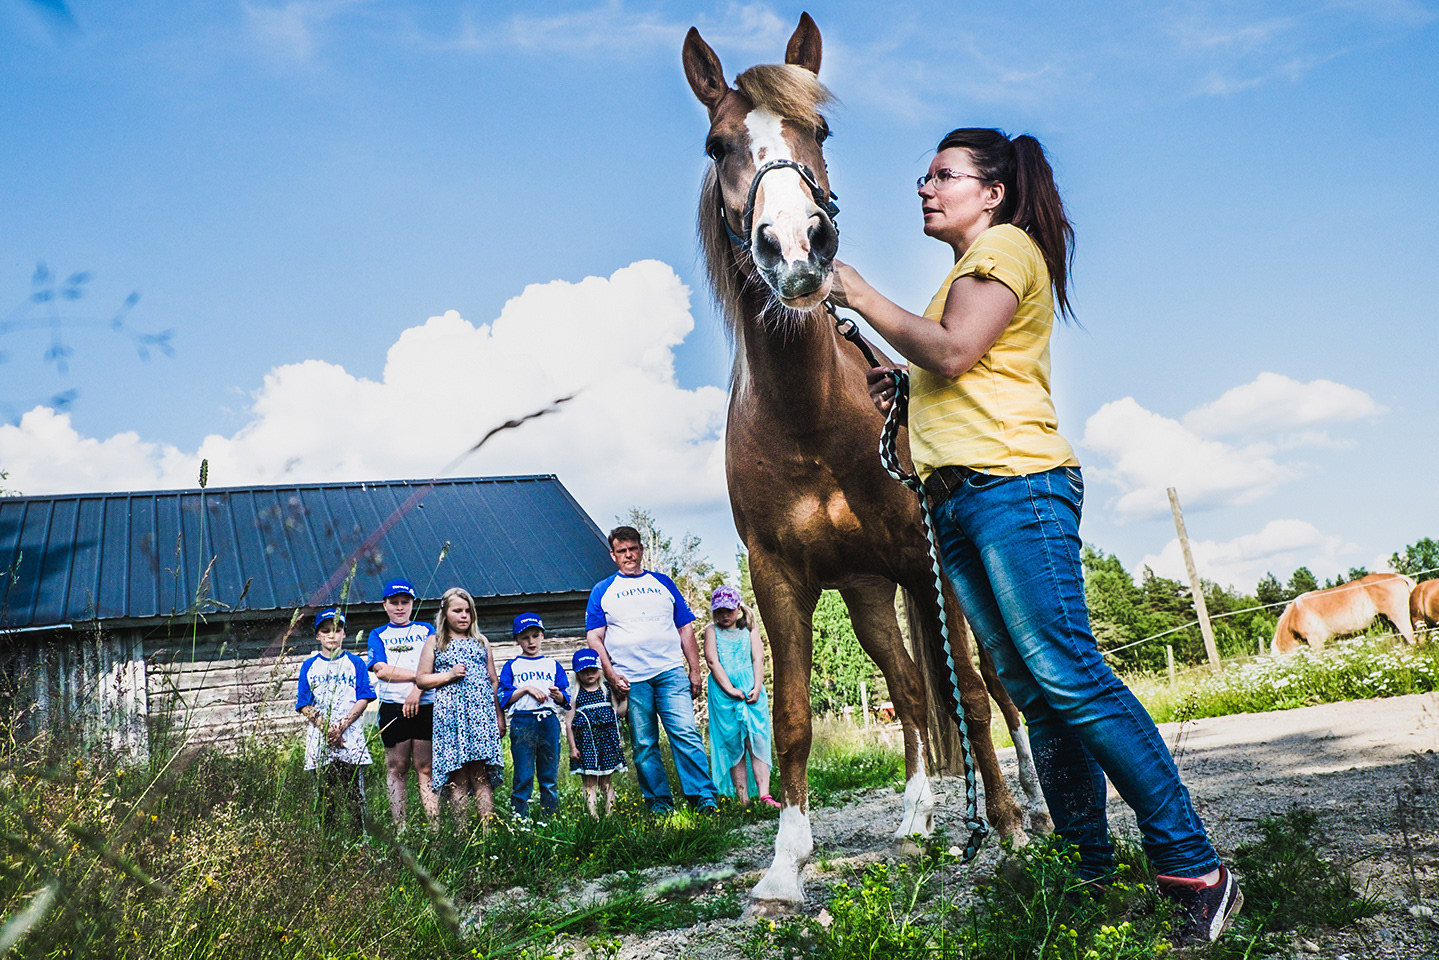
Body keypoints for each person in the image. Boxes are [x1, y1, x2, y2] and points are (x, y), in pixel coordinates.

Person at [828, 127, 1243, 945]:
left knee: (1069, 677)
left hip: (1013, 488)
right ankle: (1088, 869)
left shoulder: (1005, 248)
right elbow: (955, 367)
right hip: (959, 500)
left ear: (992, 193)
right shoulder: (961, 273)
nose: (924, 187)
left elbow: (955, 351)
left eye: (943, 175)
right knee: (1036, 693)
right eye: (924, 176)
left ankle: (1195, 868)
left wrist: (862, 296)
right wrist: (904, 383)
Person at [585, 525, 719, 814]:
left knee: (685, 733)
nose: (628, 555)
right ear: (613, 555)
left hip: (670, 671)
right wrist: (611, 675)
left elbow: (685, 628)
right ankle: (660, 803)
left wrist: (694, 670)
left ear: (641, 550)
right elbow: (594, 637)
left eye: (633, 549)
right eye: (621, 551)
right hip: (631, 679)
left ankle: (703, 798)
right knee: (644, 743)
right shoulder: (603, 590)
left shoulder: (662, 582)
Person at [416, 587, 505, 820]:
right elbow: (422, 679)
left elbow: (493, 680)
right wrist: (449, 675)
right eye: (457, 611)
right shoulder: (436, 641)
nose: (464, 616)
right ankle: (461, 832)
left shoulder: (481, 641)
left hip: (480, 716)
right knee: (459, 776)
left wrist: (498, 715)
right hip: (451, 717)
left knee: (481, 775)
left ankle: (487, 832)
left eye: (468, 611)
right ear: (445, 613)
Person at [364, 577, 438, 829]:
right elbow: (382, 670)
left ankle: (435, 828)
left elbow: (435, 665)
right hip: (393, 707)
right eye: (394, 602)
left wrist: (418, 689)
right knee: (397, 767)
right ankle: (401, 828)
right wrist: (420, 676)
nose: (399, 607)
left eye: (405, 602)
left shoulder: (426, 630)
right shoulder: (378, 634)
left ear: (412, 604)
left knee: (425, 767)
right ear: (384, 605)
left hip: (426, 704)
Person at [295, 607, 375, 836]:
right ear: (317, 635)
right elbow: (304, 703)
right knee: (324, 793)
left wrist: (341, 727)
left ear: (345, 633)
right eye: (326, 631)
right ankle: (327, 839)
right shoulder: (309, 666)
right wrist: (327, 728)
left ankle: (359, 839)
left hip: (350, 736)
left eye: (337, 630)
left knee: (354, 793)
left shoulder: (355, 663)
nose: (332, 635)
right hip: (320, 738)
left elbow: (364, 697)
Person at [703, 586, 779, 807]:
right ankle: (742, 797)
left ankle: (764, 795)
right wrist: (729, 689)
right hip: (724, 691)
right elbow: (712, 661)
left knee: (757, 739)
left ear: (738, 608)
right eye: (719, 611)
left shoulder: (749, 629)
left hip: (750, 687)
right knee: (733, 742)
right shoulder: (711, 631)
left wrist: (757, 685)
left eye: (728, 610)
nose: (724, 616)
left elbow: (758, 658)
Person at [497, 613, 570, 818]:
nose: (531, 642)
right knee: (523, 775)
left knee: (549, 776)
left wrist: (557, 695)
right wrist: (526, 689)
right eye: (525, 637)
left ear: (542, 636)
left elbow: (565, 698)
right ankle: (519, 819)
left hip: (548, 720)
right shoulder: (512, 665)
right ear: (517, 640)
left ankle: (550, 819)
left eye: (535, 636)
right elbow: (504, 697)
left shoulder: (552, 665)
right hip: (523, 721)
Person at [565, 647, 627, 818]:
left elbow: (619, 713)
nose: (589, 674)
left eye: (593, 669)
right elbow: (569, 723)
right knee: (589, 781)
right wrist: (572, 748)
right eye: (584, 671)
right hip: (585, 744)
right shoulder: (575, 694)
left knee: (606, 781)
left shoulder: (607, 689)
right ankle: (593, 817)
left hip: (606, 743)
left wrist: (625, 698)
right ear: (577, 673)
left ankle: (610, 815)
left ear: (599, 669)